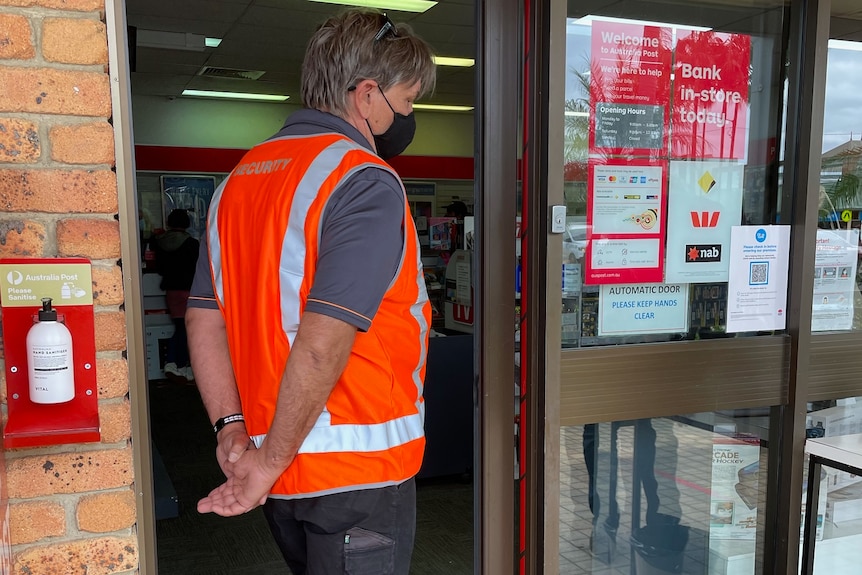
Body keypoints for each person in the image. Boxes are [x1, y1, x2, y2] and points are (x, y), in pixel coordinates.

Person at [185, 10, 435, 575]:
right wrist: (267, 463)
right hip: (357, 475)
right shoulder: (362, 179)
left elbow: (205, 320)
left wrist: (233, 434)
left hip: (281, 472)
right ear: (367, 95)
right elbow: (322, 341)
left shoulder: (236, 183)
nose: (409, 115)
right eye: (408, 99)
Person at [153, 208, 199, 383]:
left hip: (171, 291)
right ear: (186, 224)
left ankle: (179, 365)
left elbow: (159, 268)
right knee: (186, 330)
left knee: (181, 327)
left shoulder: (159, 243)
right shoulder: (193, 244)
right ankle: (176, 364)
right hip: (189, 290)